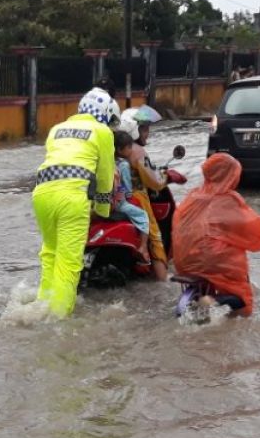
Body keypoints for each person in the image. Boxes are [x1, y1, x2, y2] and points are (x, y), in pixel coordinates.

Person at [33, 89, 116, 317]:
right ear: (105, 113)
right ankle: (58, 320)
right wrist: (102, 210)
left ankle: (41, 307)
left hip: (42, 195)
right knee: (69, 263)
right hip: (72, 197)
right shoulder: (103, 131)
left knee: (50, 254)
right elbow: (105, 176)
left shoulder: (57, 129)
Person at [172, 153, 260, 315]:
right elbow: (252, 226)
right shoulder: (228, 200)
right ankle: (213, 301)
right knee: (244, 301)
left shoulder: (193, 196)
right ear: (230, 176)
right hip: (211, 261)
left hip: (183, 261)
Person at [117, 114, 169, 281]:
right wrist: (164, 178)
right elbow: (153, 181)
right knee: (156, 238)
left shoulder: (111, 152)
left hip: (114, 198)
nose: (147, 133)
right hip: (137, 198)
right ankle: (162, 281)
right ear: (135, 132)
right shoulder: (137, 151)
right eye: (144, 129)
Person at [111, 130, 150, 262]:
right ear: (121, 149)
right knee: (143, 216)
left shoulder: (108, 163)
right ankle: (143, 247)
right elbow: (127, 189)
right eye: (129, 147)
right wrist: (129, 197)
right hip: (119, 204)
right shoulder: (123, 164)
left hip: (105, 202)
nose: (131, 149)